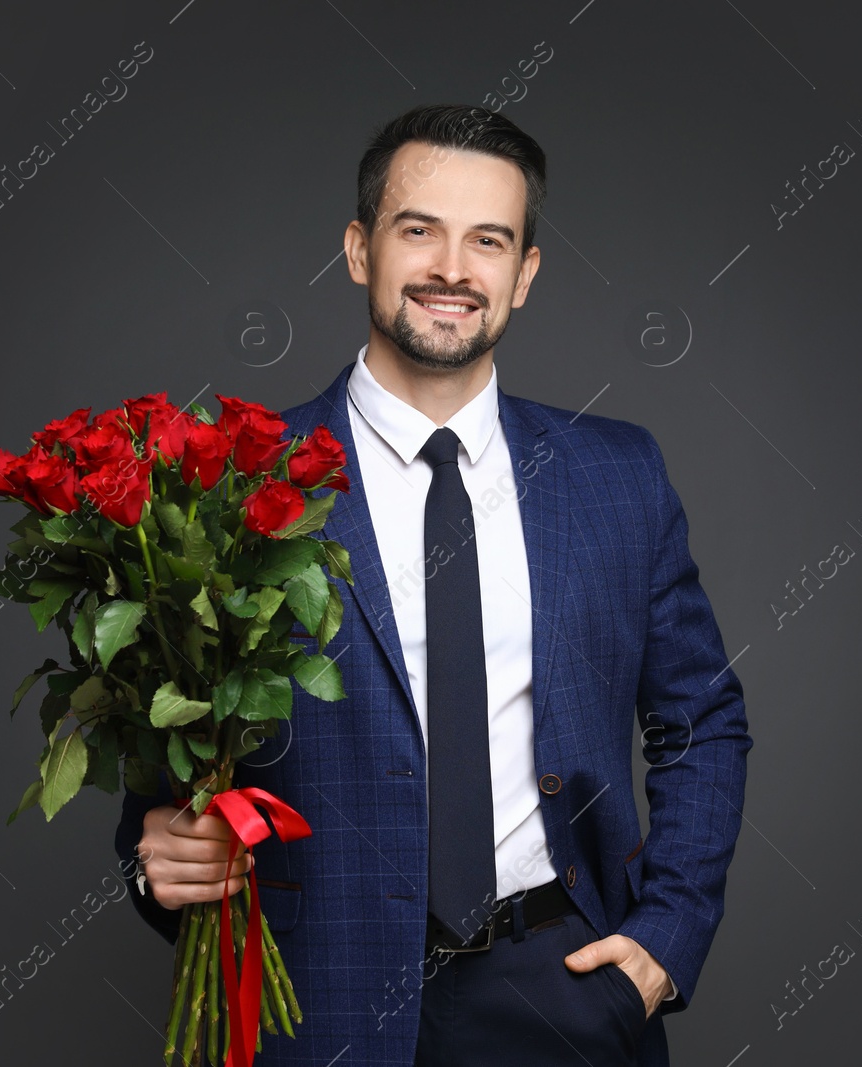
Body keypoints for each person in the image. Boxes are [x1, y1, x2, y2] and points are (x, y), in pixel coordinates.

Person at [115, 103, 750, 1067]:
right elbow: (166, 772)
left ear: (523, 274)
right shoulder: (234, 484)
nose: (453, 268)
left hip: (563, 992)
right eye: (420, 230)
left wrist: (665, 941)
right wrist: (152, 853)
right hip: (308, 1000)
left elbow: (702, 720)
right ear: (359, 248)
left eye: (487, 240)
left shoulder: (617, 475)